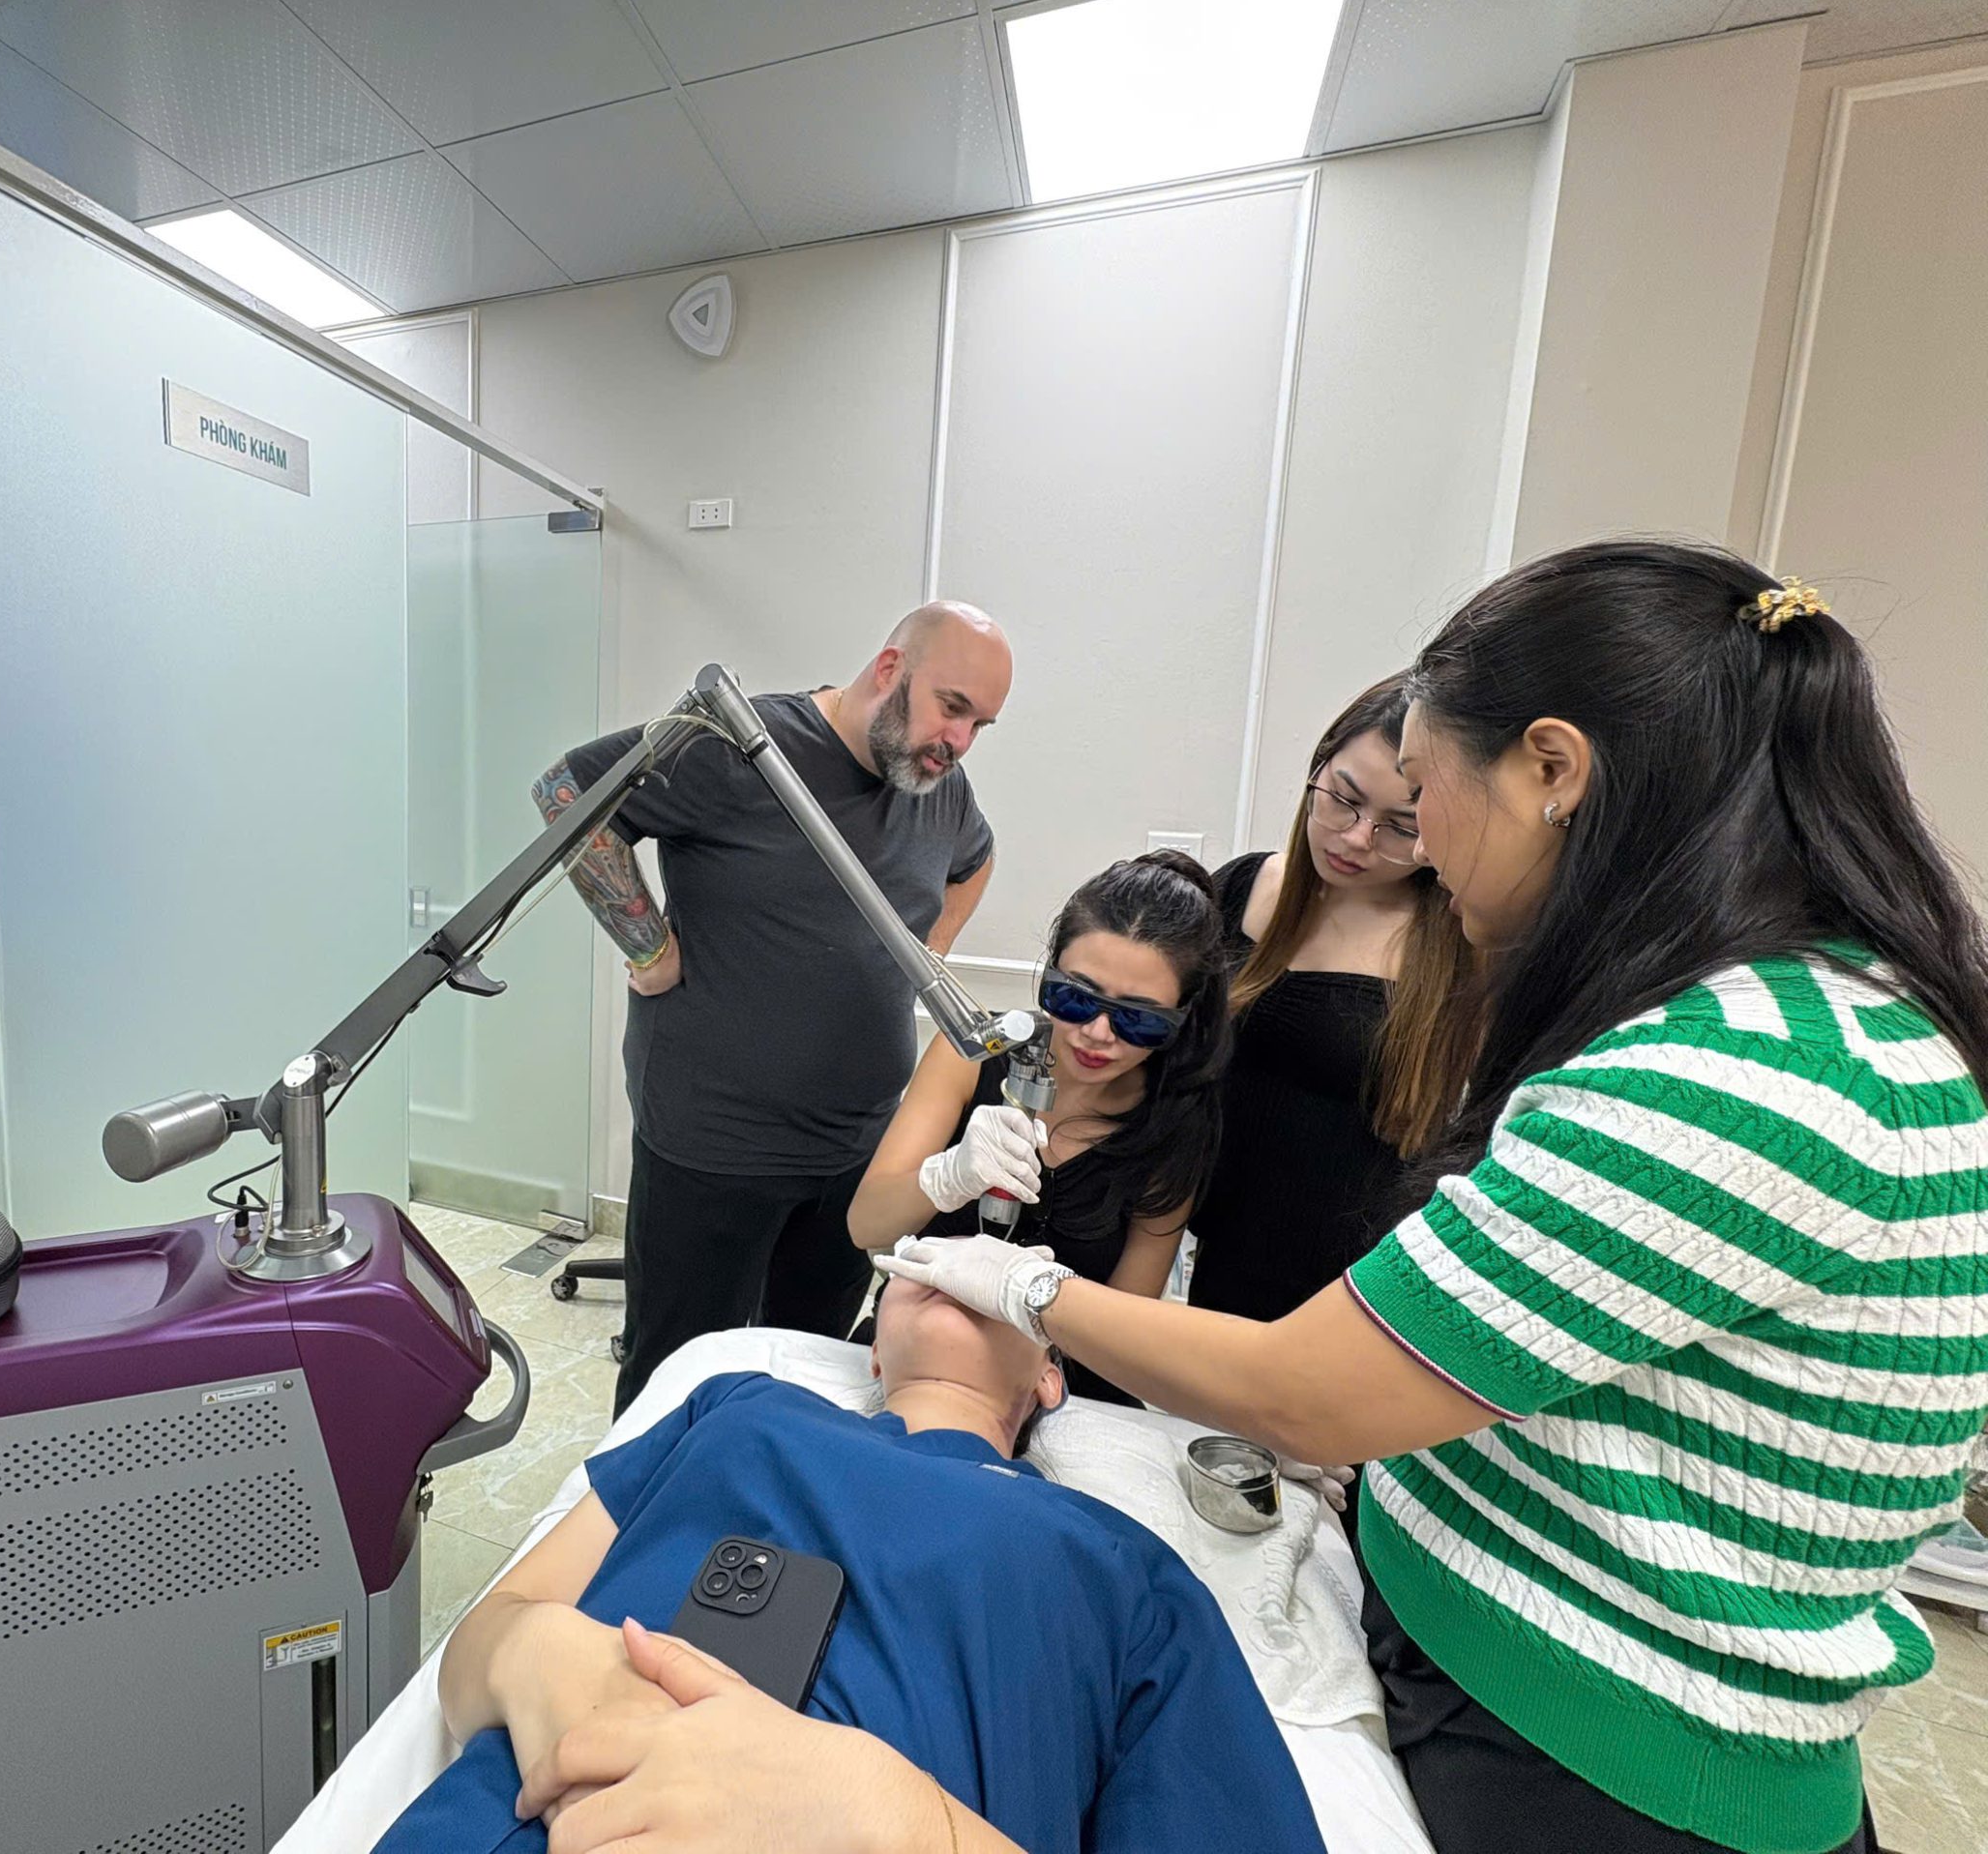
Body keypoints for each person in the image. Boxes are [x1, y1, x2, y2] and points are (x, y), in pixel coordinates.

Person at [877, 543, 1988, 1853]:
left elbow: (1303, 1388)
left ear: (1551, 770)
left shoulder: (1740, 1075)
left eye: (1419, 796)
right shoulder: (1789, 1020)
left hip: (1588, 1757)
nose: (1402, 845)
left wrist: (1021, 1284)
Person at [372, 1271, 1326, 1853]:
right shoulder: (738, 1406)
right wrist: (540, 1653)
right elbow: (485, 1641)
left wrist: (907, 1829)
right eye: (929, 1262)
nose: (964, 1266)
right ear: (873, 1351)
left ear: (1050, 1376)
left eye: (1005, 1274)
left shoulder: (1123, 1567)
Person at [540, 603, 1010, 1412]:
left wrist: (921, 955)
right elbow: (565, 792)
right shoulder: (739, 747)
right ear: (890, 669)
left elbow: (976, 859)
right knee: (676, 1386)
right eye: (952, 707)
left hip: (858, 1153)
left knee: (805, 1376)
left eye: (981, 725)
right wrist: (650, 949)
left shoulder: (941, 787)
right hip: (715, 1145)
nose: (960, 741)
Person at [846, 850, 1230, 1403]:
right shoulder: (973, 1055)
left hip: (1061, 1391)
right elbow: (866, 1226)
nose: (1097, 1033)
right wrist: (947, 1177)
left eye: (1138, 1019)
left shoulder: (1175, 1124)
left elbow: (1127, 1330)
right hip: (914, 1355)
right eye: (1074, 997)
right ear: (1049, 972)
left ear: (1182, 1016)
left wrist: (1031, 1296)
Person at [1194, 674, 1481, 1323]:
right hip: (1217, 1257)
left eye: (1399, 827)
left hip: (1356, 1286)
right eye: (1344, 801)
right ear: (1318, 770)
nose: (1356, 839)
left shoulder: (1460, 946)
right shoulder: (1242, 888)